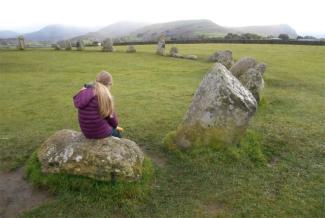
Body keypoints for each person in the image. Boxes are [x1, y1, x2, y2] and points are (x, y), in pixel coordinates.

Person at [73, 71, 122, 139]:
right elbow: (113, 122)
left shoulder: (85, 91)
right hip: (99, 133)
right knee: (117, 133)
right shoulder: (104, 96)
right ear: (109, 84)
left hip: (86, 132)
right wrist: (114, 126)